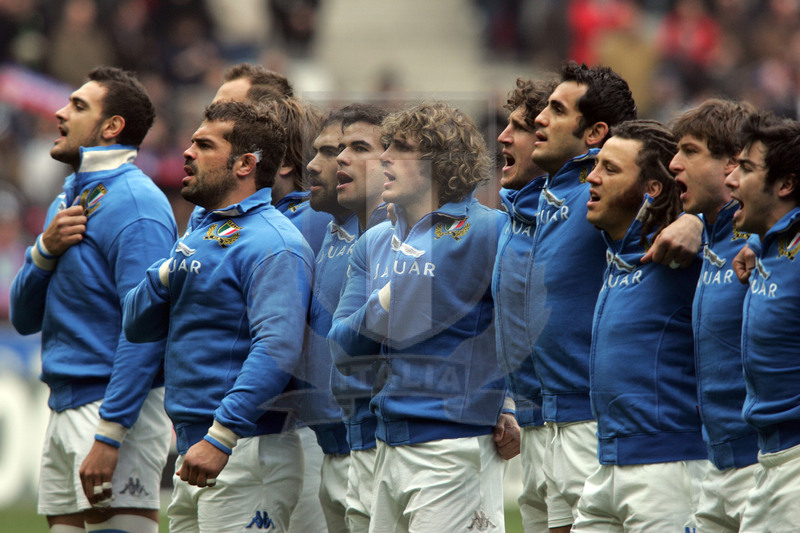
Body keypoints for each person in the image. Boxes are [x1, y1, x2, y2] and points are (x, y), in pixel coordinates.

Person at [518, 61, 702, 532]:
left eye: (556, 111)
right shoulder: (560, 202)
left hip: (633, 440)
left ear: (594, 130)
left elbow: (732, 215)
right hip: (573, 429)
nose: (540, 119)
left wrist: (698, 221)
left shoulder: (673, 246)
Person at [122, 100, 314, 532]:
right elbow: (135, 323)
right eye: (191, 142)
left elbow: (278, 348)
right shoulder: (201, 229)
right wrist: (169, 272)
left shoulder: (274, 243)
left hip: (244, 449)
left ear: (245, 163)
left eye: (204, 145)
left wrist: (222, 435)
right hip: (196, 445)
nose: (187, 153)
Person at [328, 101, 510, 532]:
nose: (385, 156)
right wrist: (390, 299)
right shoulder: (373, 241)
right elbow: (340, 345)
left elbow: (521, 328)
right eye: (386, 145)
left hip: (453, 448)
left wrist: (511, 405)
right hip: (385, 445)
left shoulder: (491, 230)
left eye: (401, 148)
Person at [9, 66, 176, 533]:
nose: (60, 112)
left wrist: (111, 431)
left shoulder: (137, 205)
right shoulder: (66, 199)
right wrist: (44, 250)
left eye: (78, 105)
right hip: (63, 405)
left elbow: (148, 327)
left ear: (111, 127)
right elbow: (24, 318)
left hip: (109, 408)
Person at [571, 119, 705, 530]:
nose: (592, 178)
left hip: (667, 468)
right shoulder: (613, 250)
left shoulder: (683, 252)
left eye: (610, 170)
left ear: (652, 189)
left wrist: (699, 222)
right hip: (606, 462)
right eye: (595, 165)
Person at [296, 103, 389, 533]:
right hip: (333, 446)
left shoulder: (397, 235)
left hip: (373, 446)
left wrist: (501, 403)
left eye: (334, 151)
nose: (314, 165)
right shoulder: (330, 231)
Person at [668, 98, 759, 531]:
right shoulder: (708, 238)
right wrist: (697, 224)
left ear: (731, 164)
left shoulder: (766, 239)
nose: (674, 164)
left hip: (763, 464)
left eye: (689, 151)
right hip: (714, 466)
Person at [723, 111, 800, 532]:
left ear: (785, 184)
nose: (731, 179)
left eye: (747, 169)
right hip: (768, 462)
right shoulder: (767, 243)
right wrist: (755, 241)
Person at [492, 75, 557, 533]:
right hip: (532, 426)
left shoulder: (584, 214)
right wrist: (508, 404)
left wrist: (692, 223)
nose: (502, 136)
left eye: (518, 126)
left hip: (579, 424)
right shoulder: (508, 221)